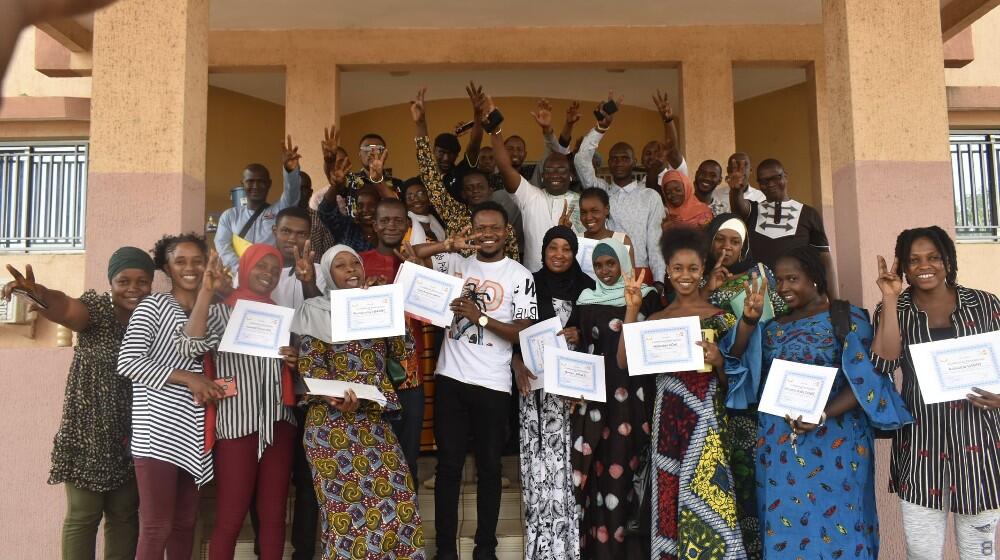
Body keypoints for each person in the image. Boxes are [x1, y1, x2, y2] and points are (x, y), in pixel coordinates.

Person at [725, 246, 912, 560]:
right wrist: (748, 320)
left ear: (814, 279)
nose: (783, 288)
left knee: (842, 527)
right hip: (780, 448)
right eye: (779, 281)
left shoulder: (846, 317)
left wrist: (824, 414)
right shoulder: (772, 326)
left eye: (792, 278)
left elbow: (868, 379)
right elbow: (738, 367)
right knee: (783, 528)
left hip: (836, 445)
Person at [3, 248, 153, 560]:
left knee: (124, 515)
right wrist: (40, 294)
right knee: (84, 515)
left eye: (142, 281)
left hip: (136, 432)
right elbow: (66, 308)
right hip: (88, 430)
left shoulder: (154, 319)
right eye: (124, 280)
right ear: (110, 283)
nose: (133, 288)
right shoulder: (97, 309)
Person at [412, 201, 537, 560]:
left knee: (489, 468)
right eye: (480, 228)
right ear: (471, 230)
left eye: (494, 228)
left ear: (506, 232)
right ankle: (445, 550)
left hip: (494, 385)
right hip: (451, 379)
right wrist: (446, 245)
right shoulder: (456, 263)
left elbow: (521, 333)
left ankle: (486, 548)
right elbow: (412, 256)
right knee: (448, 467)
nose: (487, 234)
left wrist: (479, 318)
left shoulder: (519, 276)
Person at [870, 226, 1000, 560]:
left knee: (979, 553)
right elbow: (883, 364)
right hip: (921, 447)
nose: (924, 266)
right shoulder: (894, 309)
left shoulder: (985, 304)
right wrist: (889, 298)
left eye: (933, 257)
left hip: (980, 447)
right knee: (922, 552)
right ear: (904, 266)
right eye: (913, 260)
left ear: (947, 260)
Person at [616, 226, 744, 559]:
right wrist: (631, 309)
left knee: (711, 499)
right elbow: (624, 360)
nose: (685, 275)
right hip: (669, 424)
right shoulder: (657, 319)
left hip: (708, 426)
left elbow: (740, 387)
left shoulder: (723, 319)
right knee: (670, 501)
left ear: (703, 270)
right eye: (677, 268)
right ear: (667, 272)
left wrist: (719, 363)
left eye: (692, 268)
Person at [291, 245, 425, 559]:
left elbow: (403, 354)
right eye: (341, 265)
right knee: (346, 516)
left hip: (373, 421)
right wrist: (333, 395)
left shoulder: (375, 304)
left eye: (356, 263)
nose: (351, 270)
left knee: (399, 501)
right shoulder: (314, 309)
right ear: (327, 274)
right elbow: (309, 368)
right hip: (330, 427)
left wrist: (386, 304)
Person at [177, 245, 298, 560]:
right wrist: (206, 292)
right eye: (261, 266)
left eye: (275, 269)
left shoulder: (280, 317)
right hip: (236, 424)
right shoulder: (221, 312)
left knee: (274, 516)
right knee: (230, 516)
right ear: (246, 268)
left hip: (278, 422)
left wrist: (295, 360)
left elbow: (290, 370)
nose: (268, 274)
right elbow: (190, 345)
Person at [117, 233, 224, 560]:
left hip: (195, 432)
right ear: (167, 267)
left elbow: (207, 353)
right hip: (156, 434)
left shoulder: (216, 312)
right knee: (156, 526)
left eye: (197, 260)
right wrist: (188, 378)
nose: (190, 268)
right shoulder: (153, 306)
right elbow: (128, 362)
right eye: (180, 261)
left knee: (185, 524)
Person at [701, 213, 788, 559]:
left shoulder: (760, 275)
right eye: (720, 239)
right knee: (735, 482)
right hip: (726, 392)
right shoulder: (697, 280)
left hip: (769, 388)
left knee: (767, 480)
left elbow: (780, 320)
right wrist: (709, 289)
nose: (726, 247)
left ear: (745, 245)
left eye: (734, 241)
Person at [571, 238, 661, 560]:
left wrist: (632, 308)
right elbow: (580, 346)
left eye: (611, 263)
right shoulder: (585, 299)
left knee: (627, 476)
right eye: (599, 265)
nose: (605, 271)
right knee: (597, 479)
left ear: (623, 263)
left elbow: (649, 349)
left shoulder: (647, 298)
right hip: (596, 404)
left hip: (632, 402)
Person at [513, 226, 595, 560]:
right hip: (536, 392)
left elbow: (602, 336)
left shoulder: (589, 289)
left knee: (569, 465)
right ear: (543, 250)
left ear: (575, 253)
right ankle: (541, 547)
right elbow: (514, 327)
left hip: (574, 395)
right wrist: (516, 360)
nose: (559, 255)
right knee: (540, 467)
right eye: (552, 248)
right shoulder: (529, 284)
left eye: (566, 248)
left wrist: (583, 334)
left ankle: (570, 547)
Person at [359, 197, 427, 481]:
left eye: (398, 220)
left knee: (407, 457)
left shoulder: (419, 264)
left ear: (408, 225)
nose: (391, 226)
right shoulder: (359, 263)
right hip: (368, 371)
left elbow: (430, 317)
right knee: (371, 456)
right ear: (374, 225)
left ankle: (407, 524)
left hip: (410, 374)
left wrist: (418, 272)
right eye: (384, 220)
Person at [411, 87, 520, 262]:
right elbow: (429, 174)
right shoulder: (454, 213)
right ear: (463, 193)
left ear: (490, 190)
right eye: (469, 188)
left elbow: (514, 266)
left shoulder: (503, 225)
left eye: (480, 187)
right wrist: (421, 124)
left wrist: (478, 115)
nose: (475, 190)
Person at [574, 92, 666, 288]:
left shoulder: (650, 196)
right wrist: (601, 128)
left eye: (625, 158)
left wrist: (659, 280)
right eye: (614, 158)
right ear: (609, 162)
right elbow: (581, 159)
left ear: (634, 162)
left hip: (641, 274)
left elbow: (655, 241)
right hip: (601, 275)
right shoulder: (600, 192)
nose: (619, 162)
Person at [492, 99, 584, 273]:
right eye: (549, 170)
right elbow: (505, 167)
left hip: (571, 282)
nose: (555, 174)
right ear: (542, 175)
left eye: (561, 170)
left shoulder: (581, 203)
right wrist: (495, 129)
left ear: (571, 175)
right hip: (534, 281)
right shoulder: (530, 196)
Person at [729, 157, 837, 298]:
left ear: (785, 176)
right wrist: (736, 191)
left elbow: (825, 260)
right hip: (760, 297)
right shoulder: (753, 210)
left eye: (776, 178)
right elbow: (738, 206)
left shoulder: (809, 214)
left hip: (799, 296)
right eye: (764, 181)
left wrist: (835, 302)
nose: (771, 184)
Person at [215, 137, 303, 274]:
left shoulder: (280, 211)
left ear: (269, 184)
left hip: (270, 278)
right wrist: (243, 271)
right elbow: (223, 247)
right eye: (250, 181)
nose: (255, 186)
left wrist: (290, 171)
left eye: (261, 181)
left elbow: (292, 193)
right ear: (243, 184)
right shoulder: (229, 216)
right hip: (238, 279)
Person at [318, 127, 401, 217]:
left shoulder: (398, 184)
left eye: (378, 148)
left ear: (385, 154)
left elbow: (399, 211)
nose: (371, 152)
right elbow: (334, 180)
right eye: (366, 149)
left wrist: (378, 181)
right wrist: (329, 162)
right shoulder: (349, 180)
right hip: (354, 230)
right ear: (360, 154)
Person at [642, 89, 689, 193]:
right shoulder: (639, 186)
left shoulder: (676, 174)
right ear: (641, 160)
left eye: (657, 152)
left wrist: (668, 120)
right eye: (648, 153)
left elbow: (671, 146)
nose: (653, 156)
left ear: (666, 154)